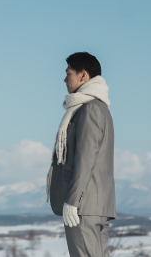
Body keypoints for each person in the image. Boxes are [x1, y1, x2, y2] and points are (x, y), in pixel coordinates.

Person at [46, 52, 116, 257]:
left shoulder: (89, 109)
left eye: (69, 74)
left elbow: (86, 160)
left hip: (83, 207)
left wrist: (72, 202)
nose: (65, 79)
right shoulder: (99, 108)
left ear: (83, 76)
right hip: (94, 205)